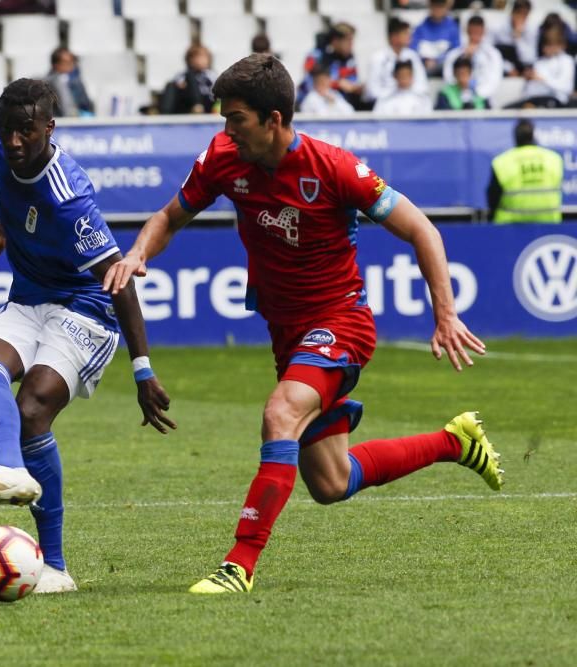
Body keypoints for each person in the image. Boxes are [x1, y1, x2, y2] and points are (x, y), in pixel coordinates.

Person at [103, 54, 502, 595]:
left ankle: (238, 564)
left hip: (341, 321)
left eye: (236, 118)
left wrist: (445, 313)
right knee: (331, 482)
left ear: (273, 119)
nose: (226, 130)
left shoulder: (333, 168)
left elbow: (422, 229)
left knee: (281, 411)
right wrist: (138, 253)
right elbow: (169, 216)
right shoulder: (224, 158)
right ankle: (454, 443)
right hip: (287, 332)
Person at [0, 78, 175, 594]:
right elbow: (20, 209)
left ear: (49, 127)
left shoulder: (69, 198)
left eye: (27, 131)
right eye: (7, 130)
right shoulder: (4, 157)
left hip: (87, 307)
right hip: (30, 298)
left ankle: (55, 567)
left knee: (32, 409)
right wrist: (0, 237)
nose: (14, 141)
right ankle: (9, 469)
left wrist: (143, 369)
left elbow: (117, 279)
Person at [487, 119, 564, 223]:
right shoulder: (554, 159)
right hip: (549, 223)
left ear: (515, 137)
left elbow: (493, 196)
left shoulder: (502, 161)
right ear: (533, 136)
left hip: (510, 226)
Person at [364, 17, 429, 106]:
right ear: (394, 36)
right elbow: (372, 90)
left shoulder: (413, 56)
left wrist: (406, 93)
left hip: (411, 101)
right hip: (385, 103)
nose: (409, 36)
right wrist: (393, 94)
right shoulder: (378, 58)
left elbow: (422, 84)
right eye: (405, 33)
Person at [297, 22, 363, 109]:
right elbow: (310, 83)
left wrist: (356, 88)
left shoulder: (349, 60)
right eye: (348, 40)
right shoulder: (315, 56)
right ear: (335, 41)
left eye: (352, 40)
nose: (351, 45)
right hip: (314, 103)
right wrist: (337, 84)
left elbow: (352, 83)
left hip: (340, 103)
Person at [510, 26, 575, 108]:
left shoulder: (566, 61)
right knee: (507, 109)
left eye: (549, 45)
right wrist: (529, 79)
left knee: (530, 107)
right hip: (533, 99)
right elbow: (530, 90)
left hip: (555, 100)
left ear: (559, 45)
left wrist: (542, 79)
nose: (545, 49)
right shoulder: (539, 62)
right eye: (545, 45)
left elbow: (566, 88)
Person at [441, 14, 504, 100]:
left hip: (484, 100)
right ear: (467, 30)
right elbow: (448, 78)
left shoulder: (493, 54)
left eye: (478, 30)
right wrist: (466, 57)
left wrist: (478, 96)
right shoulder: (454, 55)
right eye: (472, 30)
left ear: (483, 31)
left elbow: (494, 80)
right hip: (457, 101)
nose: (475, 33)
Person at [159, 44, 218, 115]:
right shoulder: (182, 75)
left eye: (202, 57)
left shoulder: (212, 75)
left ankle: (198, 106)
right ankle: (165, 114)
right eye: (195, 58)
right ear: (189, 60)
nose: (199, 61)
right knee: (171, 84)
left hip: (207, 104)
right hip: (188, 106)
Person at [411, 0, 461, 77]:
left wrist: (437, 61)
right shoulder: (420, 28)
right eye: (435, 5)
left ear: (446, 7)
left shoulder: (453, 28)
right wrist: (425, 60)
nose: (438, 9)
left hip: (446, 69)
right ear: (430, 6)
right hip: (424, 69)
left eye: (441, 6)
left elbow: (456, 50)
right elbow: (413, 49)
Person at [491, 0, 538, 74]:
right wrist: (508, 68)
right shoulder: (499, 28)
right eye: (519, 13)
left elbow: (529, 58)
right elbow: (491, 53)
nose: (521, 17)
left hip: (522, 68)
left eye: (525, 14)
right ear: (512, 12)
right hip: (501, 67)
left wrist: (518, 38)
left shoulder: (531, 29)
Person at [45, 47, 94, 117]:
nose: (71, 65)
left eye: (72, 62)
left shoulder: (77, 83)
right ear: (55, 64)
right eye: (66, 62)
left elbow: (86, 105)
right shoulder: (46, 84)